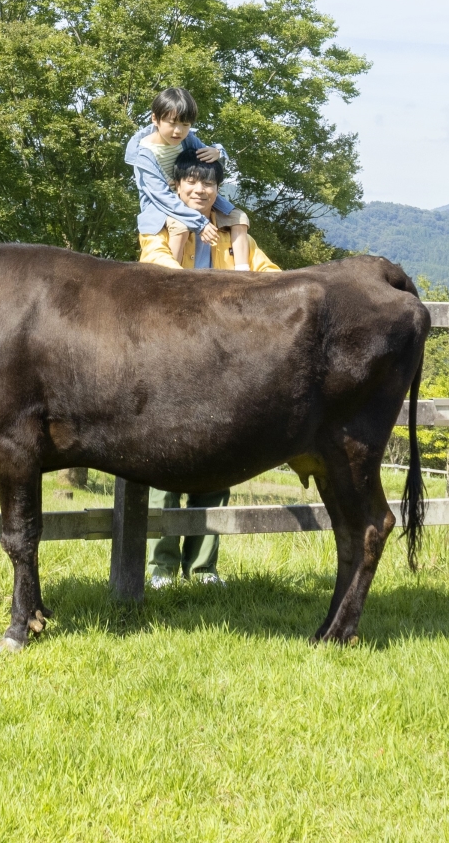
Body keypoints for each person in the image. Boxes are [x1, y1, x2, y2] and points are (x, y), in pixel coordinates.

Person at [140, 148, 259, 587]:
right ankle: (161, 565)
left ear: (218, 190)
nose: (199, 189)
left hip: (221, 367)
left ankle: (204, 566)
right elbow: (159, 280)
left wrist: (241, 238)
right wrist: (179, 236)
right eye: (190, 181)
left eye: (208, 183)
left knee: (217, 464)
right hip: (167, 366)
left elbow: (267, 278)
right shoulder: (155, 230)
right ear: (175, 187)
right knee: (163, 463)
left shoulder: (232, 234)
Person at [126, 87, 247, 267]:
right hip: (161, 205)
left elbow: (208, 156)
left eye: (185, 124)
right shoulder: (143, 155)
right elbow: (161, 197)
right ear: (155, 119)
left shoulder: (188, 139)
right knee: (180, 228)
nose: (178, 131)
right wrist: (200, 223)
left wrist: (218, 151)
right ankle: (173, 280)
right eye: (172, 123)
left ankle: (243, 273)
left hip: (188, 193)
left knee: (239, 218)